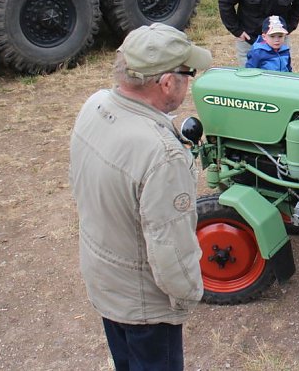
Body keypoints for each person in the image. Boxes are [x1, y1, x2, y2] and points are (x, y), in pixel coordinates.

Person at [69, 23, 212, 371]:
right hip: (145, 303)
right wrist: (189, 294)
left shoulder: (95, 105)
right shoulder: (162, 153)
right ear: (166, 82)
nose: (188, 81)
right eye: (187, 73)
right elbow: (170, 249)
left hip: (104, 277)